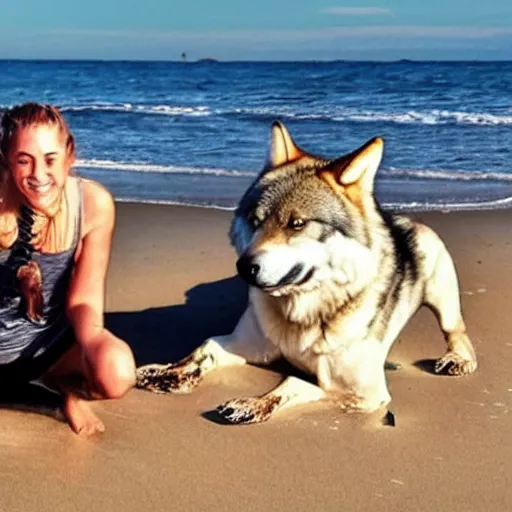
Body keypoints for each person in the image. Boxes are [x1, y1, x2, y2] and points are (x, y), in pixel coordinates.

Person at [0, 102, 136, 435]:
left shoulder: (92, 204)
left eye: (50, 159)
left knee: (116, 370)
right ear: (6, 160)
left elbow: (84, 298)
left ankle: (61, 383)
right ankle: (50, 401)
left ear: (69, 155)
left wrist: (93, 343)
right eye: (24, 161)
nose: (38, 176)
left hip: (52, 348)